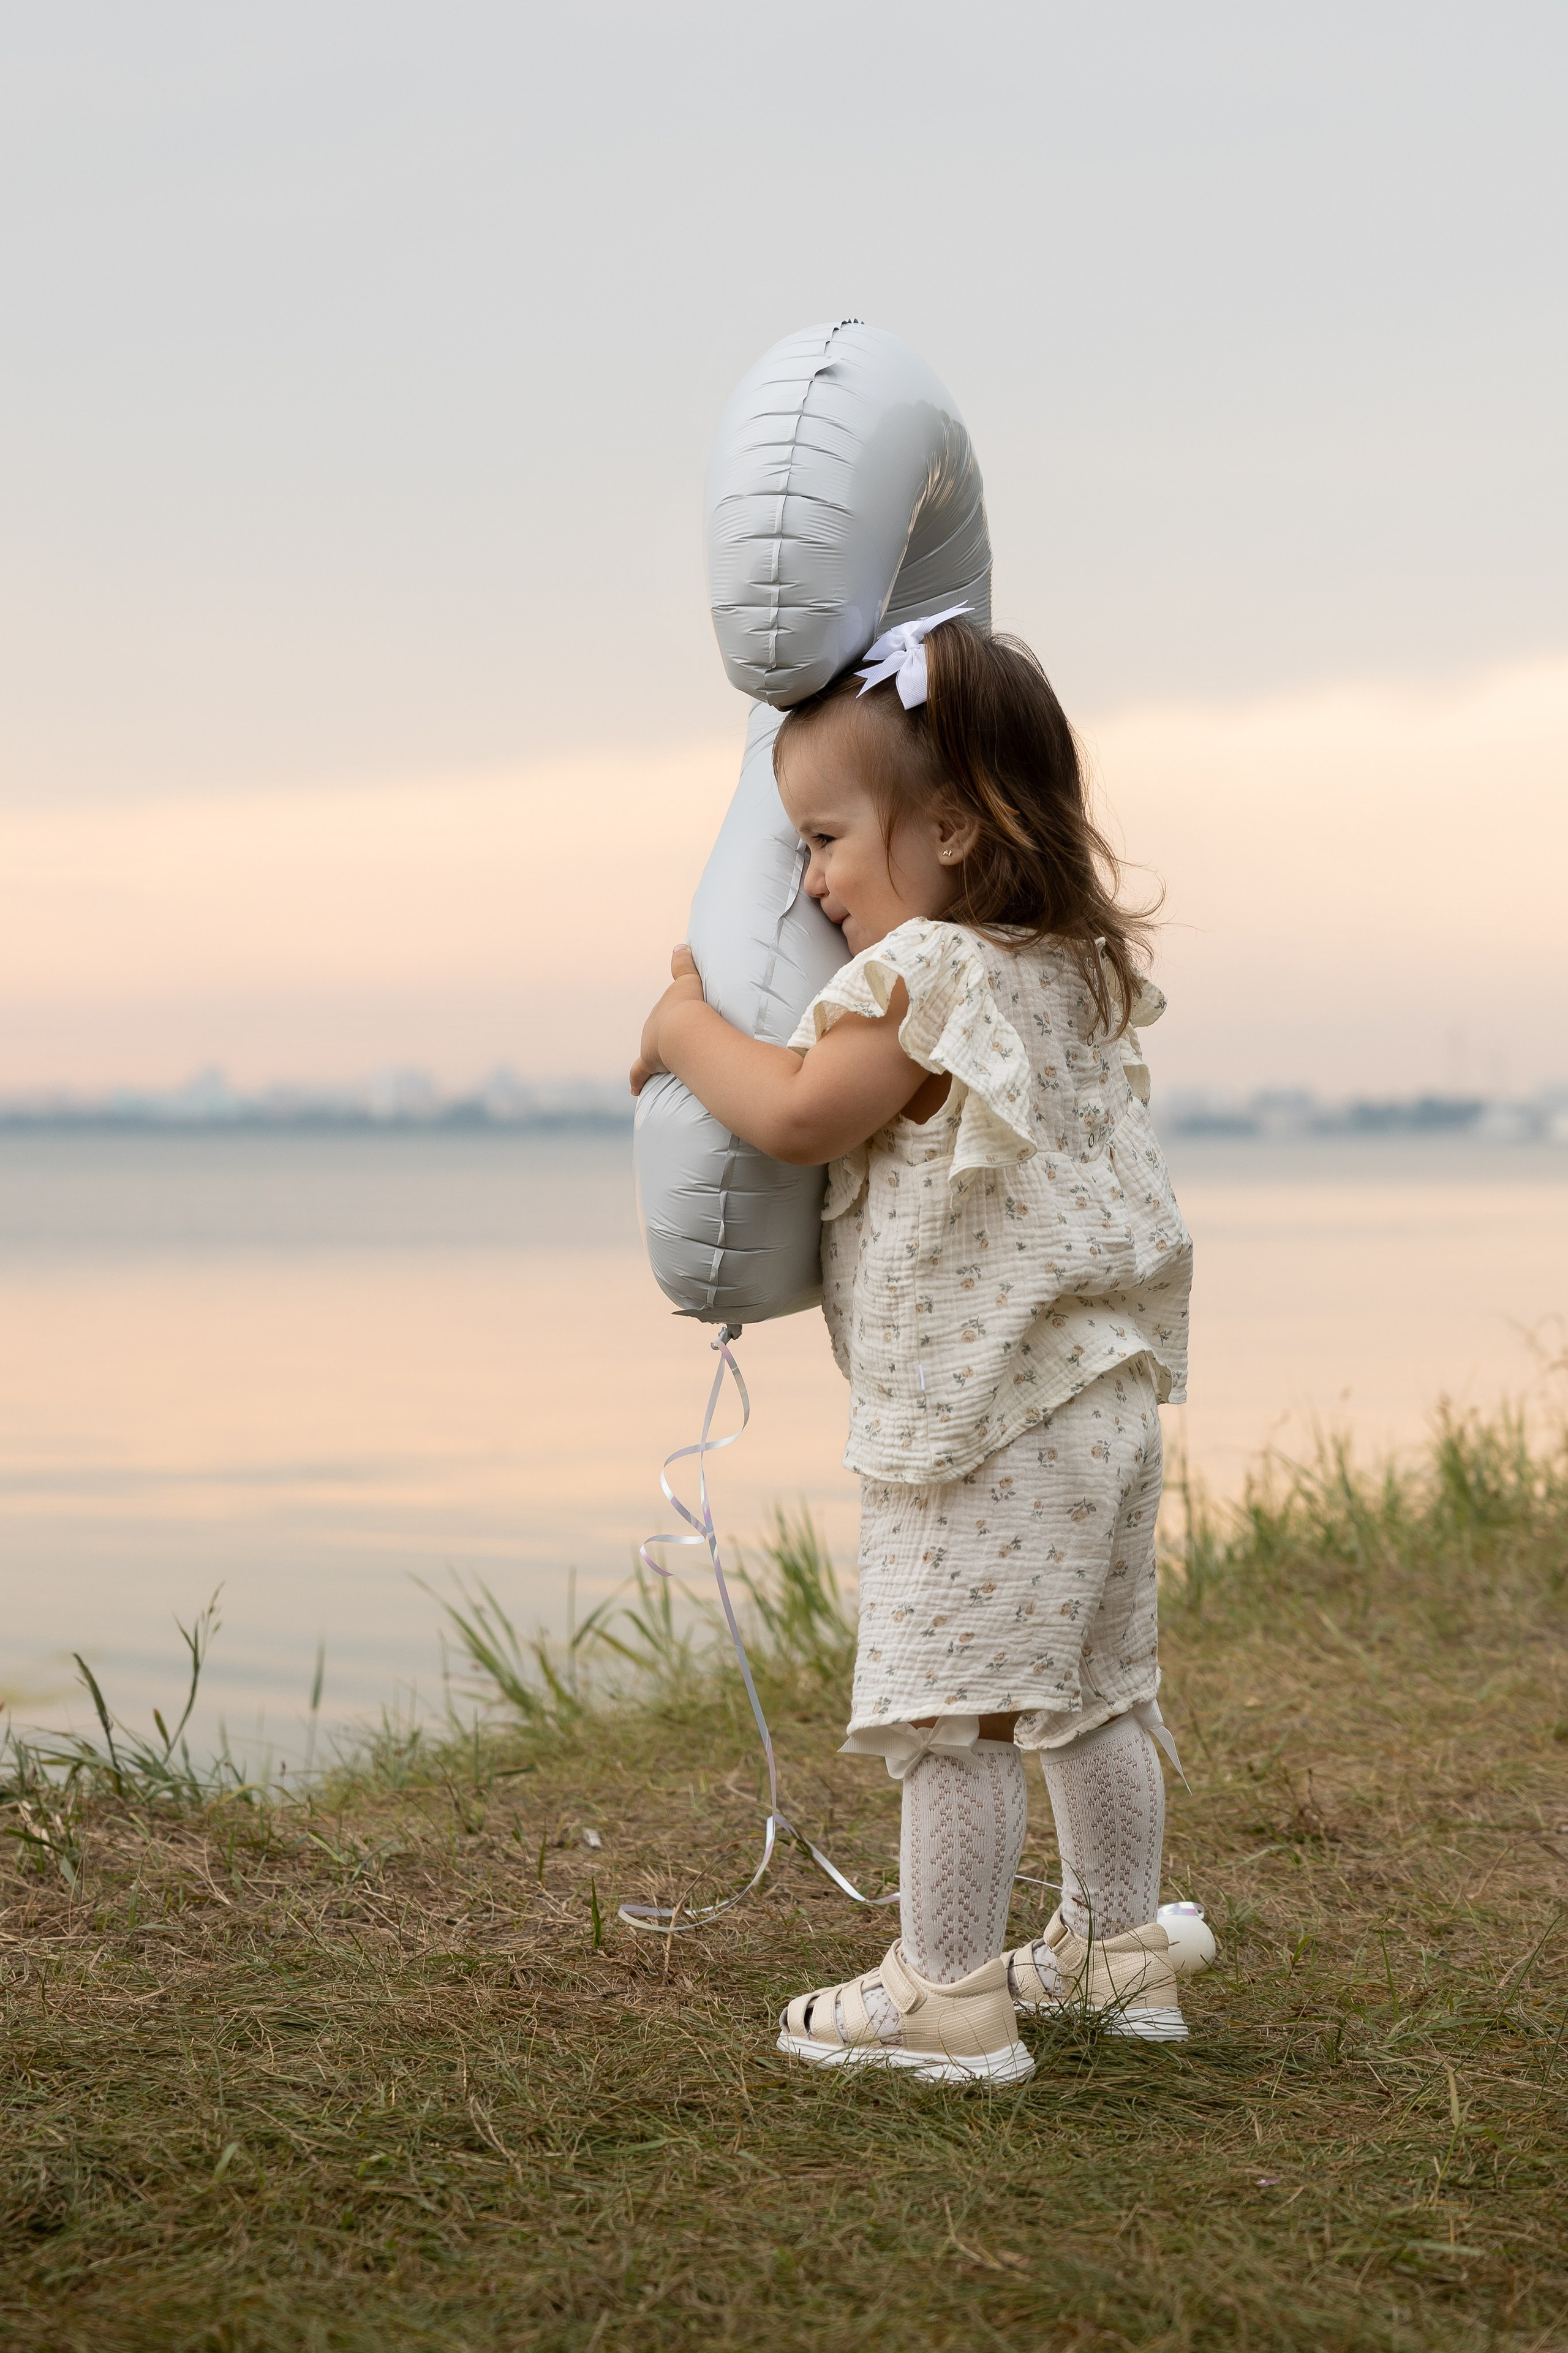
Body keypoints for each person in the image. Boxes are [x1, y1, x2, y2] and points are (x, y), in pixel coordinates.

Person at [631, 611, 1208, 2086]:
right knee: (1092, 1688)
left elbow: (802, 1112)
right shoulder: (1062, 968)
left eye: (825, 839)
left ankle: (944, 1990)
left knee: (947, 1705)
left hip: (981, 1419)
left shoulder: (930, 976)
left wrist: (680, 1029)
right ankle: (1112, 1944)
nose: (810, 880)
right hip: (1099, 1406)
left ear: (946, 826)